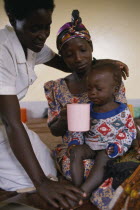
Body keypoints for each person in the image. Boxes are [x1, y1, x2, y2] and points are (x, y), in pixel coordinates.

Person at [0, 1, 87, 209]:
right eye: (35, 28)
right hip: (7, 122)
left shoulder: (31, 43)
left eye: (46, 26)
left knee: (50, 168)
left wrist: (106, 64)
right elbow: (12, 123)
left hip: (6, 123)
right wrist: (42, 184)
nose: (42, 35)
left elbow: (66, 61)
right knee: (31, 184)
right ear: (13, 20)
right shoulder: (2, 51)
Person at [44, 9, 131, 208]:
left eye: (83, 50)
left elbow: (122, 116)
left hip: (109, 143)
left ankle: (89, 193)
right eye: (69, 55)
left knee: (114, 162)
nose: (78, 58)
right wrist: (64, 117)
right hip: (76, 147)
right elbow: (54, 130)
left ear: (91, 47)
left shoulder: (110, 79)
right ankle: (88, 192)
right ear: (62, 58)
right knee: (83, 165)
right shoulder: (54, 87)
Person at [66, 63, 137, 198]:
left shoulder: (122, 112)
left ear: (115, 90)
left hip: (109, 148)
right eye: (89, 89)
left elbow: (130, 132)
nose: (92, 93)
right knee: (76, 152)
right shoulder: (87, 108)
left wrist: (118, 146)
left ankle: (83, 193)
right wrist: (75, 141)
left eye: (98, 89)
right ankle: (76, 187)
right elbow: (77, 130)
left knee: (103, 159)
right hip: (90, 146)